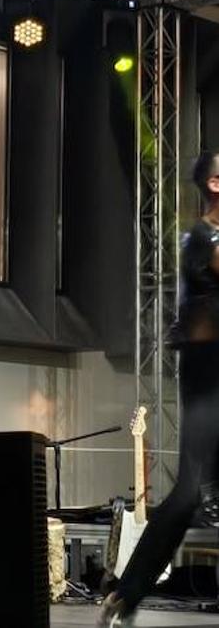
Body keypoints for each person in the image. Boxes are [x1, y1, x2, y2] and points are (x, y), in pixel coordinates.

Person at [99, 152, 219, 627]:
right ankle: (124, 594)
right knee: (187, 493)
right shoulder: (199, 236)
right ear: (214, 182)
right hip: (208, 378)